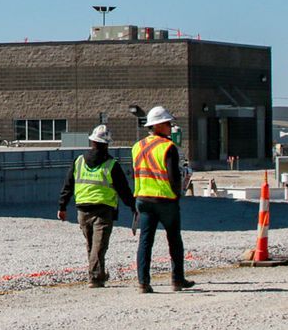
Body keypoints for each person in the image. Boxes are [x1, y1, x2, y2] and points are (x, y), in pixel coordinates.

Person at [57, 125, 136, 286]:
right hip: (103, 209)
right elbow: (123, 190)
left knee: (92, 245)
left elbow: (68, 185)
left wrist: (62, 207)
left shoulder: (78, 161)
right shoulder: (112, 165)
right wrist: (133, 205)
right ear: (107, 144)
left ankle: (98, 274)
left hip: (82, 210)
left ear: (92, 141)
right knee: (99, 246)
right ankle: (95, 278)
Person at [132, 106, 194, 293]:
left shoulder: (137, 147)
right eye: (167, 123)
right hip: (165, 199)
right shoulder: (168, 147)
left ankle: (143, 282)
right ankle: (177, 280)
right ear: (158, 125)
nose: (170, 126)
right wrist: (177, 194)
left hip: (143, 198)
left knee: (145, 241)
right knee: (174, 239)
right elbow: (173, 175)